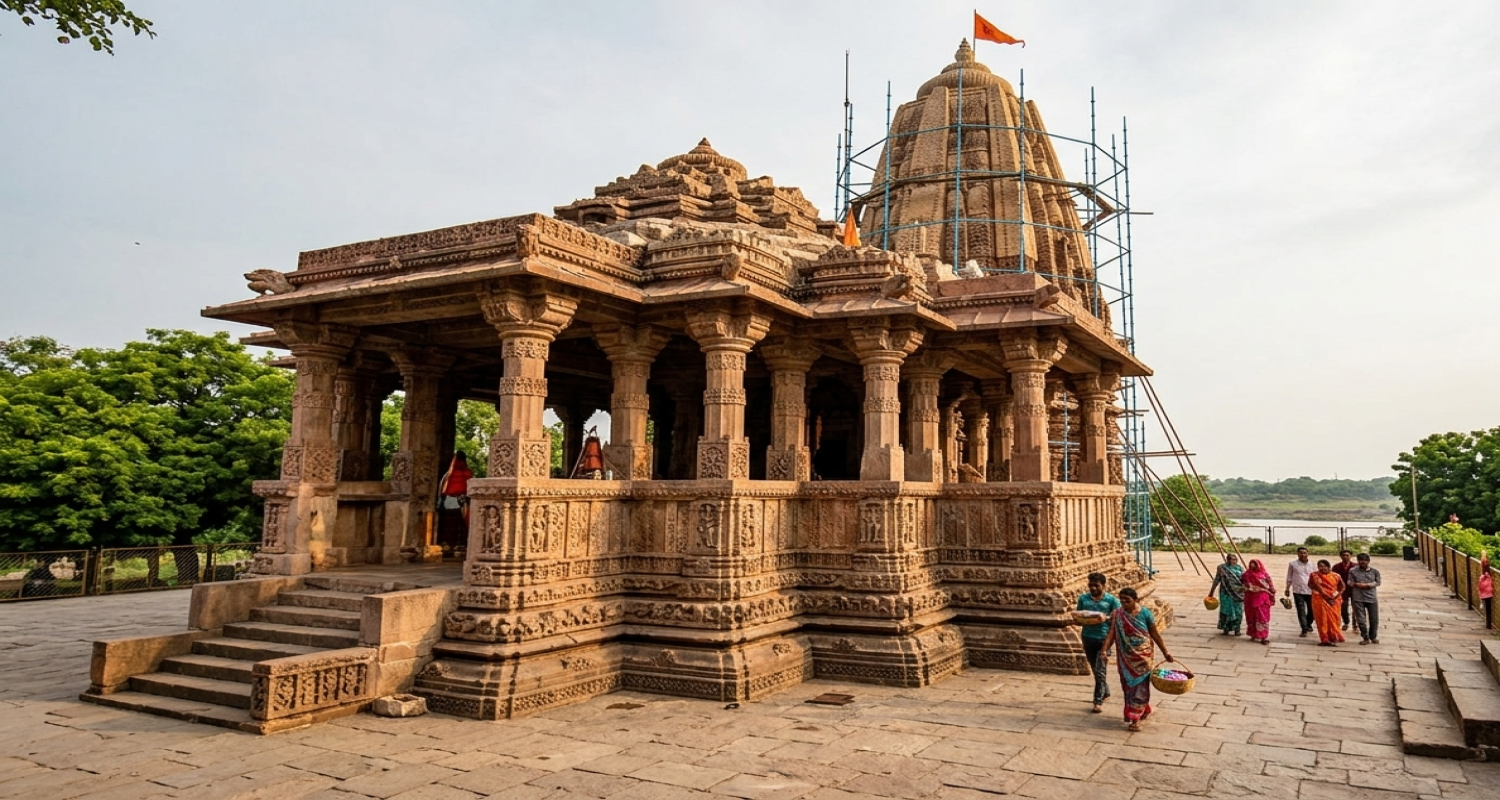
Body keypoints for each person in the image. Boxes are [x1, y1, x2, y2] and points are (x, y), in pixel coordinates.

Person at [1100, 586, 1173, 732]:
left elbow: (1154, 633)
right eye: (1121, 600)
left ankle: (1135, 718)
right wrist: (1104, 650)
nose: (1124, 603)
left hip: (1143, 656)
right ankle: (1141, 709)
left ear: (1136, 600)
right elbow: (1111, 633)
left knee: (1141, 686)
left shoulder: (1145, 613)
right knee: (1129, 686)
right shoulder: (1117, 614)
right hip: (1125, 656)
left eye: (1127, 600)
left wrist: (1166, 652)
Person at [1076, 572, 1121, 714]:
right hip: (1087, 636)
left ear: (1104, 585)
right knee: (1095, 669)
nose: (1093, 588)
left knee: (1100, 670)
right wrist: (1082, 618)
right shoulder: (1083, 599)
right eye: (1091, 585)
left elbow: (1118, 618)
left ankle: (1097, 701)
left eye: (1096, 585)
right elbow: (1078, 617)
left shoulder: (1111, 601)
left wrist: (1105, 618)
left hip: (1104, 638)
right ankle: (1105, 690)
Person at [1308, 559, 1346, 646]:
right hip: (1320, 599)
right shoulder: (1314, 575)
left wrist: (1336, 595)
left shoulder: (1336, 575)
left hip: (1334, 600)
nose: (1322, 568)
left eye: (1324, 566)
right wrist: (1322, 594)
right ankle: (1324, 639)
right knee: (1322, 619)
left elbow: (1343, 586)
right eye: (1320, 566)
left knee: (1335, 619)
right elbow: (1312, 585)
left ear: (1328, 567)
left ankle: (1333, 636)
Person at [1207, 554, 1245, 636]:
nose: (1232, 561)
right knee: (1226, 610)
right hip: (1225, 592)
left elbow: (1244, 580)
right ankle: (1226, 628)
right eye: (1230, 559)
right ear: (1227, 560)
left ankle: (1237, 629)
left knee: (1238, 611)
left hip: (1238, 593)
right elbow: (1217, 579)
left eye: (1234, 559)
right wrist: (1211, 591)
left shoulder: (1239, 568)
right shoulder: (1221, 568)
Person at [1348, 552, 1382, 644]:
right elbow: (1349, 582)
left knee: (1374, 619)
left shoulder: (1374, 571)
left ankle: (1373, 637)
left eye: (1365, 560)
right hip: (1358, 598)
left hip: (1372, 598)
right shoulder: (1353, 571)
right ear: (1358, 561)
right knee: (1361, 620)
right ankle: (1365, 637)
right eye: (1360, 560)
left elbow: (1378, 582)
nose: (1363, 562)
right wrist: (1357, 584)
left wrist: (1368, 585)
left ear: (1368, 561)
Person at [1241, 559, 1276, 644]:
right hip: (1250, 597)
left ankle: (1263, 636)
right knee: (1251, 616)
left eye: (1254, 564)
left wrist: (1272, 592)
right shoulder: (1246, 574)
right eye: (1251, 563)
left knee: (1262, 616)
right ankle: (1253, 634)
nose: (1252, 565)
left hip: (1262, 597)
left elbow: (1270, 585)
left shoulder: (1264, 574)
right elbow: (1243, 583)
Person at [1285, 547, 1315, 638]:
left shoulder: (1313, 565)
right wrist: (1287, 588)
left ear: (1308, 553)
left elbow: (1316, 577)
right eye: (1301, 553)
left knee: (1312, 610)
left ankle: (1308, 623)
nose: (1303, 555)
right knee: (1301, 611)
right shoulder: (1293, 564)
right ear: (1297, 554)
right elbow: (1289, 577)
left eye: (1304, 553)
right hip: (1298, 590)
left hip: (1311, 590)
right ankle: (1304, 629)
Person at [1330, 550, 1355, 631]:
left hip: (1354, 589)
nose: (1345, 557)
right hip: (1342, 590)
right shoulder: (1336, 567)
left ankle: (1355, 624)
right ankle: (1346, 622)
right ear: (1340, 556)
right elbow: (1332, 578)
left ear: (1351, 556)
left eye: (1347, 555)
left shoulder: (1355, 566)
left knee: (1356, 608)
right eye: (1343, 555)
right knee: (1343, 607)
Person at [1480, 553, 1494, 630]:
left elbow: (1480, 587)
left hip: (1484, 593)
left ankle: (1488, 623)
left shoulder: (1483, 576)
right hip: (1489, 592)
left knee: (1486, 606)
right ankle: (1488, 623)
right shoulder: (1488, 575)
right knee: (1488, 606)